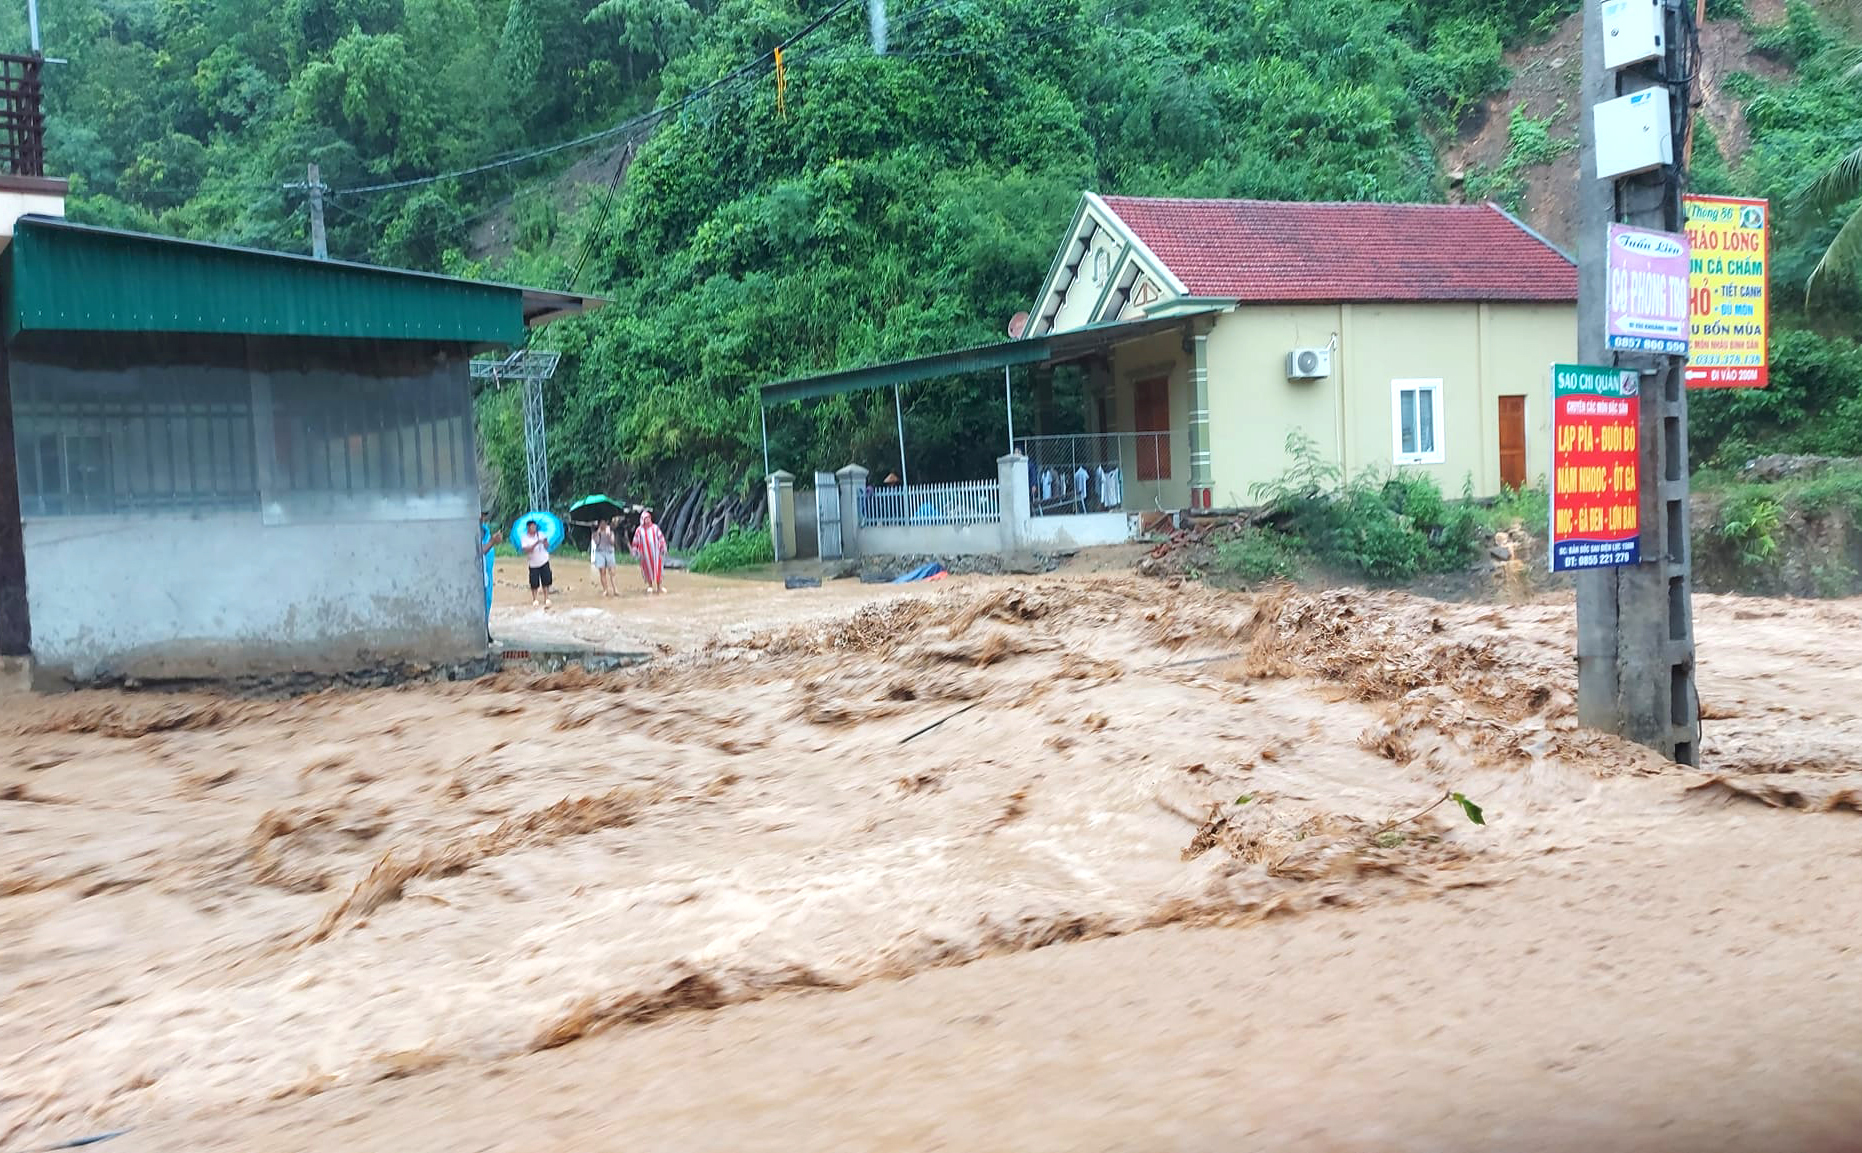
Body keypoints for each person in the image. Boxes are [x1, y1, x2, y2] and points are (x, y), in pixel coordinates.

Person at [477, 513, 502, 642]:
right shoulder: (470, 531)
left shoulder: (484, 530)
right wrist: (492, 542)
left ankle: (485, 631)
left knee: (486, 604)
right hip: (476, 578)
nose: (482, 517)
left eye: (484, 514)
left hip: (486, 576)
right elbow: (475, 553)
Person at [632, 508, 668, 595]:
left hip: (656, 553)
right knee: (647, 570)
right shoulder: (639, 530)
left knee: (658, 569)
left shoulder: (655, 528)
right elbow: (635, 541)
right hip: (645, 555)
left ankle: (659, 587)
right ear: (642, 520)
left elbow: (661, 538)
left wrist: (663, 547)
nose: (647, 520)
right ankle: (650, 586)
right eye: (645, 519)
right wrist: (635, 551)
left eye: (648, 518)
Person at [519, 518, 553, 609]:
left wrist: (545, 542)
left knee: (546, 581)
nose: (534, 528)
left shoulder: (541, 534)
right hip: (533, 563)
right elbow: (527, 550)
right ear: (528, 528)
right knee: (534, 582)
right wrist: (536, 543)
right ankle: (535, 599)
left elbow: (547, 546)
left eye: (535, 526)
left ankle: (547, 598)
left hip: (544, 560)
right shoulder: (524, 538)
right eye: (532, 527)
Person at [591, 517, 619, 598]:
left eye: (604, 523)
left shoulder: (610, 530)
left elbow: (613, 542)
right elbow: (596, 542)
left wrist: (609, 535)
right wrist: (598, 534)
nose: (603, 525)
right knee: (602, 572)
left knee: (612, 571)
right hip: (600, 552)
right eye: (601, 523)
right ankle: (605, 590)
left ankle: (615, 589)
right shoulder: (595, 532)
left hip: (609, 552)